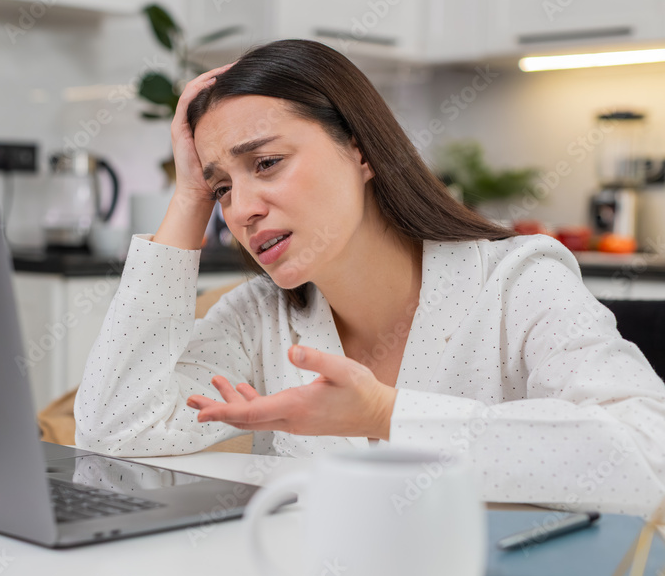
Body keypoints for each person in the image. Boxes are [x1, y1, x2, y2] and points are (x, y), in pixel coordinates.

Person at [74, 39, 665, 517]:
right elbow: (113, 431)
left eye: (267, 163)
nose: (242, 210)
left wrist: (386, 415)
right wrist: (188, 198)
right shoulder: (259, 316)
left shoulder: (517, 281)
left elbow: (648, 453)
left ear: (360, 151)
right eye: (222, 188)